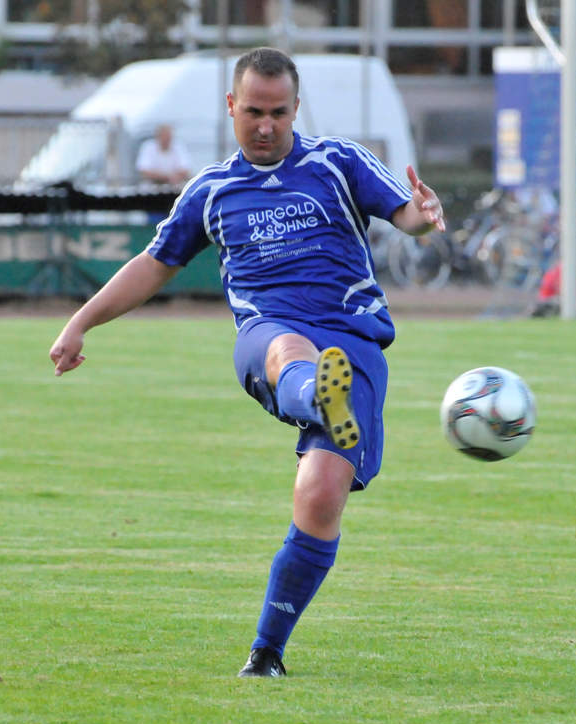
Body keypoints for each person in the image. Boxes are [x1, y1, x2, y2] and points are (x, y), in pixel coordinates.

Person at [49, 47, 446, 678]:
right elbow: (153, 264)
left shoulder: (336, 162)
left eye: (279, 113)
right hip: (267, 333)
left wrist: (422, 218)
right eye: (254, 111)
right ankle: (317, 395)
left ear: (296, 109)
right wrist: (81, 322)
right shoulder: (211, 190)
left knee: (320, 495)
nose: (266, 125)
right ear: (231, 106)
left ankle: (267, 655)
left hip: (353, 343)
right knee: (290, 350)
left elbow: (405, 212)